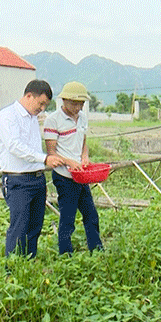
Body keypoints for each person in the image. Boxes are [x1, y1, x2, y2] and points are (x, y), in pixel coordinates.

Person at [0, 80, 79, 258]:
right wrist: (45, 158)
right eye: (40, 103)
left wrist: (44, 163)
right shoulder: (7, 116)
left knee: (35, 226)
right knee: (19, 227)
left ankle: (29, 264)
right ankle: (12, 270)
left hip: (37, 179)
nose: (42, 108)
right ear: (28, 96)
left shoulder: (33, 118)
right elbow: (14, 146)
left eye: (45, 105)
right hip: (17, 179)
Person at [43, 81, 104, 254]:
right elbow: (51, 154)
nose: (78, 107)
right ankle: (66, 255)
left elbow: (83, 141)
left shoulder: (83, 118)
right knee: (68, 218)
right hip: (64, 176)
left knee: (91, 215)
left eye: (81, 104)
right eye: (74, 103)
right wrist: (70, 162)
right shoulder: (53, 120)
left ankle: (97, 250)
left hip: (81, 175)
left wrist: (84, 156)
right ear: (64, 100)